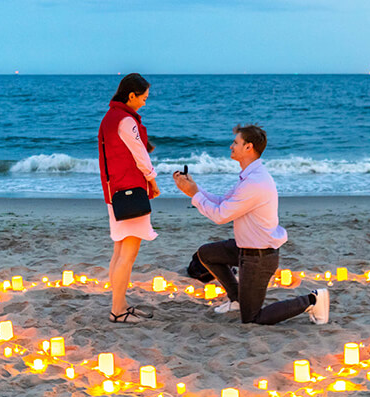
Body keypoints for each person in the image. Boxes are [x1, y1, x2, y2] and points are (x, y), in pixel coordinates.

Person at [172, 124, 329, 325]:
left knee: (252, 318)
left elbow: (221, 215)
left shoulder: (255, 182)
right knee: (207, 253)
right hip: (244, 248)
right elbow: (222, 201)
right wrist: (193, 188)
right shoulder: (248, 177)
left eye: (235, 143)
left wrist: (194, 194)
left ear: (249, 147)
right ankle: (237, 299)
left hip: (259, 257)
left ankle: (312, 300)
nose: (231, 146)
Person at [98, 73, 160, 323]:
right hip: (131, 192)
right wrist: (153, 182)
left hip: (114, 194)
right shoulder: (126, 120)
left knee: (119, 250)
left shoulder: (109, 118)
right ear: (131, 95)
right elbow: (141, 156)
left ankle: (120, 303)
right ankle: (118, 310)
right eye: (143, 98)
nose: (145, 103)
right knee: (128, 254)